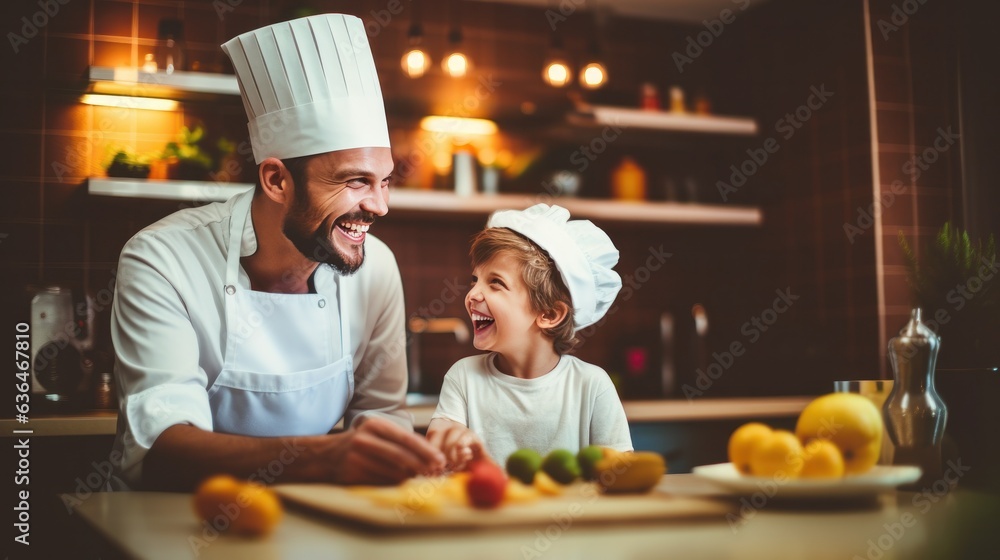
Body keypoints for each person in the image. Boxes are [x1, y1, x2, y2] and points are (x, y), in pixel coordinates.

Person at [108, 14, 445, 491]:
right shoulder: (163, 259)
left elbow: (380, 413)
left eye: (384, 181)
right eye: (355, 181)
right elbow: (162, 449)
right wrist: (325, 459)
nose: (379, 206)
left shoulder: (377, 268)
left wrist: (399, 454)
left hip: (310, 523)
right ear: (276, 180)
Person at [426, 204, 633, 469]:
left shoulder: (592, 385)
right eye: (475, 280)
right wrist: (448, 444)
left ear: (548, 314)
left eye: (495, 283)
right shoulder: (463, 377)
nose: (473, 294)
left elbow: (619, 472)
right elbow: (438, 446)